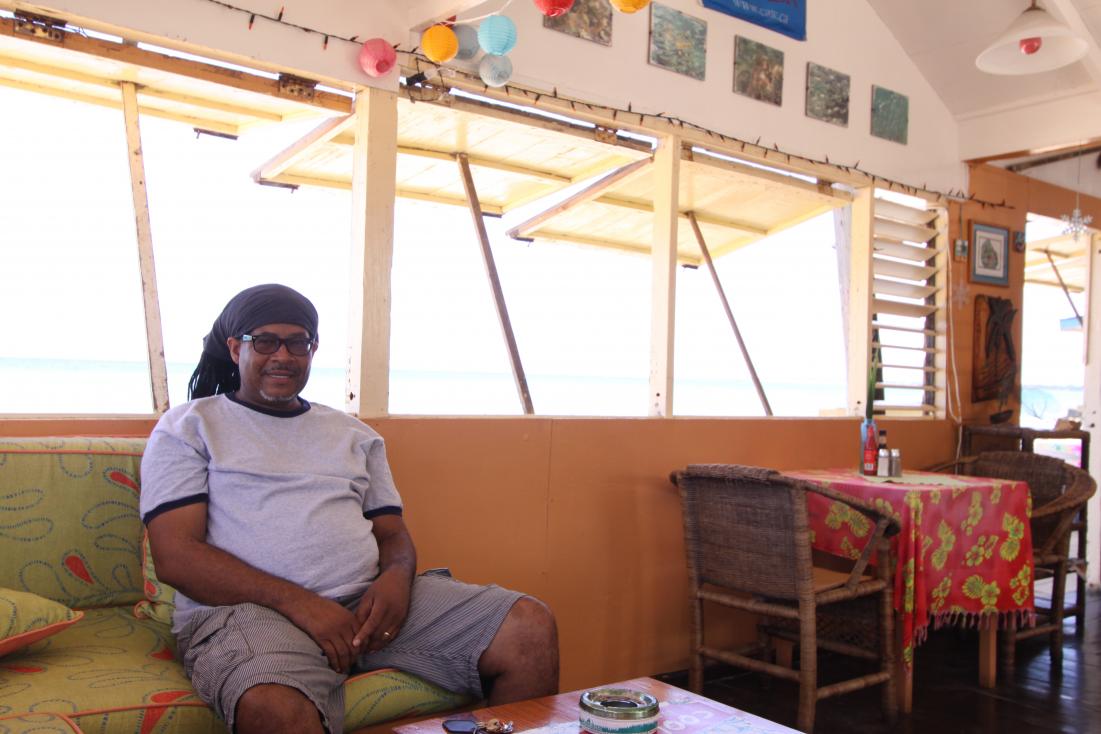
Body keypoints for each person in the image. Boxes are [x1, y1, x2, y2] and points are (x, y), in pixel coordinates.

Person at [140, 283, 558, 734]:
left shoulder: (354, 434)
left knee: (528, 627)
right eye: (265, 342)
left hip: (365, 604)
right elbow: (175, 555)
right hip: (250, 611)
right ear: (235, 347)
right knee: (273, 705)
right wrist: (302, 604)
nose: (283, 355)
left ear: (313, 349)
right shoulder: (190, 427)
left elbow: (392, 534)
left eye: (298, 342)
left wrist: (396, 579)